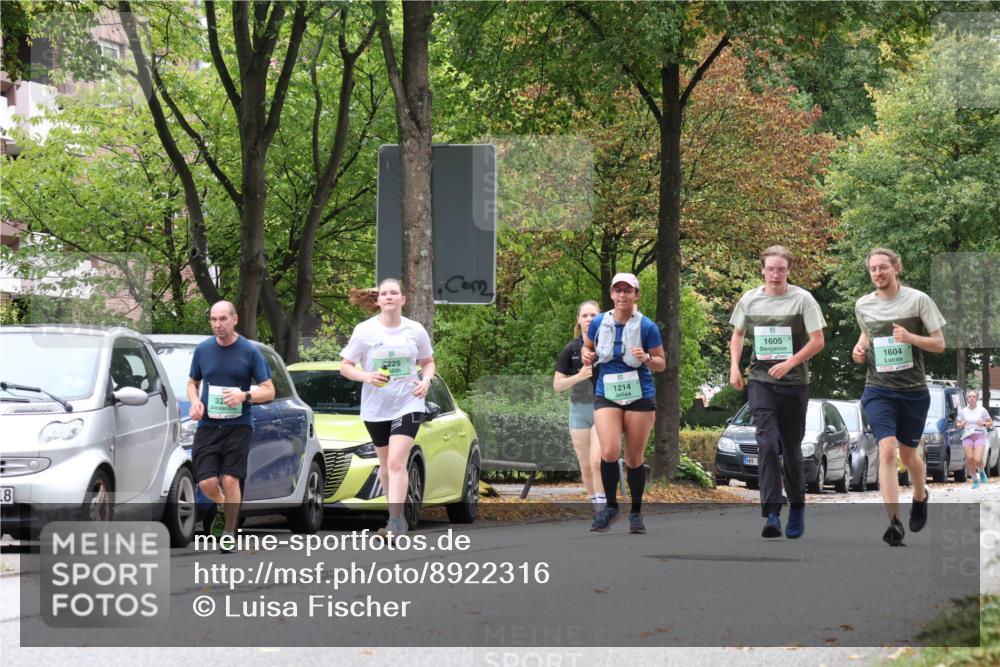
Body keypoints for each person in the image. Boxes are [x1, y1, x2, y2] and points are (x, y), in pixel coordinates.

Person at [729, 246, 826, 540]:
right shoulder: (750, 299)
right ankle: (771, 513)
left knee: (792, 450)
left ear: (788, 271)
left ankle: (797, 506)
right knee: (767, 444)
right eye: (770, 269)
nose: (775, 274)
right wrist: (734, 367)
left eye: (780, 269)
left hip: (795, 383)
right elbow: (737, 335)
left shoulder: (803, 299)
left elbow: (818, 341)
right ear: (762, 269)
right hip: (760, 381)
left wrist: (790, 363)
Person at [852, 248, 946, 546]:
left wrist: (911, 338)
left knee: (909, 455)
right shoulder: (863, 305)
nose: (878, 273)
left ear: (896, 268)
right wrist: (859, 348)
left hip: (913, 392)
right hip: (878, 389)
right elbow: (868, 334)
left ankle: (920, 495)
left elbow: (940, 344)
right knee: (887, 450)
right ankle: (894, 522)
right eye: (873, 269)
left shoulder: (918, 300)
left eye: (883, 268)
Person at [340, 278, 435, 539]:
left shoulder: (415, 330)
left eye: (395, 293)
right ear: (378, 300)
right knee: (384, 465)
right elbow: (345, 366)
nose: (390, 297)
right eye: (385, 293)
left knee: (396, 461)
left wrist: (426, 381)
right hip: (376, 406)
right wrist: (366, 377)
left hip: (409, 401)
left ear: (403, 300)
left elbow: (428, 362)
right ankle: (397, 515)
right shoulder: (364, 330)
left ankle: (393, 521)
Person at [187, 301, 275, 552]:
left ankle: (228, 533)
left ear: (234, 320)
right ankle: (226, 506)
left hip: (238, 425)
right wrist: (195, 402)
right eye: (213, 319)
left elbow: (269, 390)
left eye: (223, 319)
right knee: (205, 482)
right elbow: (192, 382)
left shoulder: (249, 351)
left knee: (230, 478)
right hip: (208, 424)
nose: (217, 324)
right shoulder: (203, 350)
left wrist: (243, 396)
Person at [581, 273, 665, 534]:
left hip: (639, 393)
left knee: (634, 459)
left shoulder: (647, 327)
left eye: (627, 291)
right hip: (608, 390)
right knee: (608, 452)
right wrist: (587, 355)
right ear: (612, 294)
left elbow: (662, 363)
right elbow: (587, 347)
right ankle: (610, 507)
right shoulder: (597, 323)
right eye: (618, 290)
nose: (622, 295)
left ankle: (637, 513)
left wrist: (648, 358)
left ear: (636, 295)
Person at [553, 300, 603, 512]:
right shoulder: (571, 349)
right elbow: (557, 385)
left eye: (593, 315)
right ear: (578, 320)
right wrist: (579, 376)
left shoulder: (608, 346)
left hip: (603, 409)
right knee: (585, 464)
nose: (589, 319)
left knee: (597, 461)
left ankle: (604, 505)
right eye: (585, 315)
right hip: (578, 411)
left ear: (600, 319)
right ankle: (596, 504)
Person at [957, 390, 993, 489]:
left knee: (978, 459)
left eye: (974, 397)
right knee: (969, 458)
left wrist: (983, 424)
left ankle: (981, 471)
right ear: (967, 399)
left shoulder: (982, 410)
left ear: (977, 399)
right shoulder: (963, 411)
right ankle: (975, 480)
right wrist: (962, 424)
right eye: (970, 397)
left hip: (979, 435)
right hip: (967, 435)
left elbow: (990, 422)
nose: (972, 398)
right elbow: (958, 424)